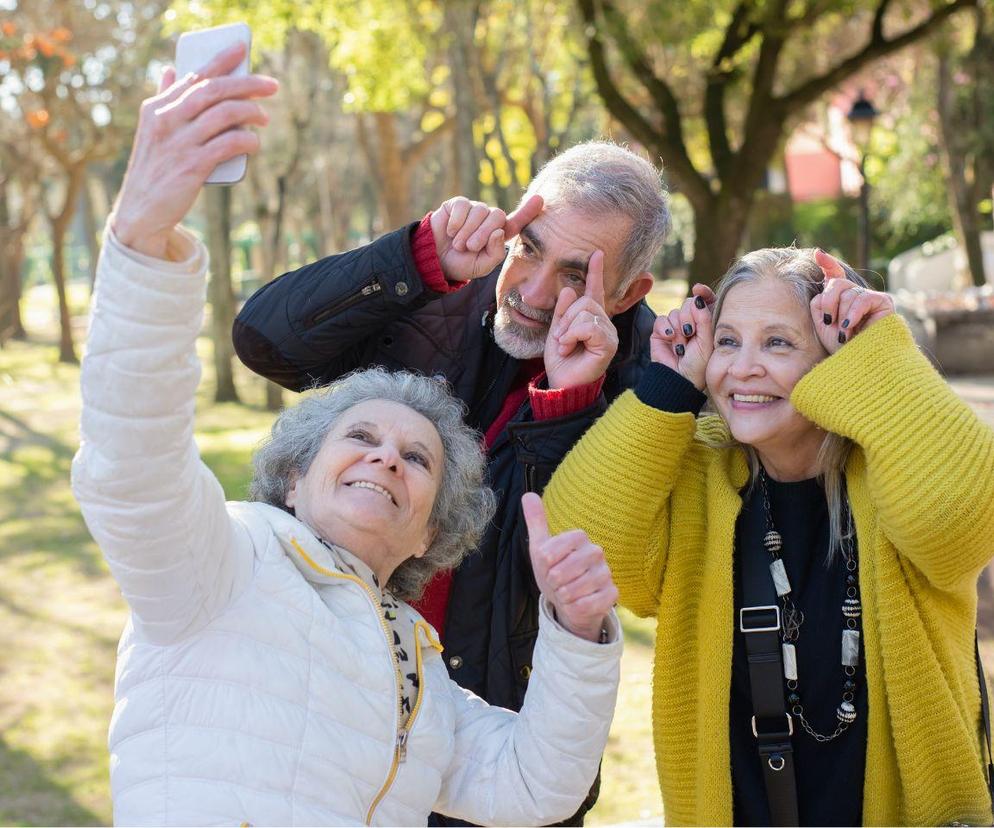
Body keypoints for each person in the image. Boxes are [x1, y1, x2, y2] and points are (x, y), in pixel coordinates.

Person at [71, 43, 624, 826]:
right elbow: (130, 463)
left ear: (435, 529)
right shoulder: (224, 565)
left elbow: (536, 785)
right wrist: (141, 236)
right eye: (360, 436)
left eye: (416, 458)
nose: (385, 458)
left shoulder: (421, 673)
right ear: (295, 477)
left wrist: (577, 633)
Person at [232, 139, 669, 757]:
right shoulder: (439, 286)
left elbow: (559, 565)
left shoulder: (650, 382)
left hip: (492, 734)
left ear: (627, 293)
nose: (533, 292)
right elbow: (263, 341)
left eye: (576, 275)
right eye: (530, 248)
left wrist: (567, 404)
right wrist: (415, 257)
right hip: (328, 699)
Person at [541, 246, 994, 826]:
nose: (743, 367)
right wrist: (667, 387)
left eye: (778, 342)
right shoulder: (697, 475)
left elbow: (958, 517)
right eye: (727, 341)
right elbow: (580, 543)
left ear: (836, 354)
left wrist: (881, 354)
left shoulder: (895, 472)